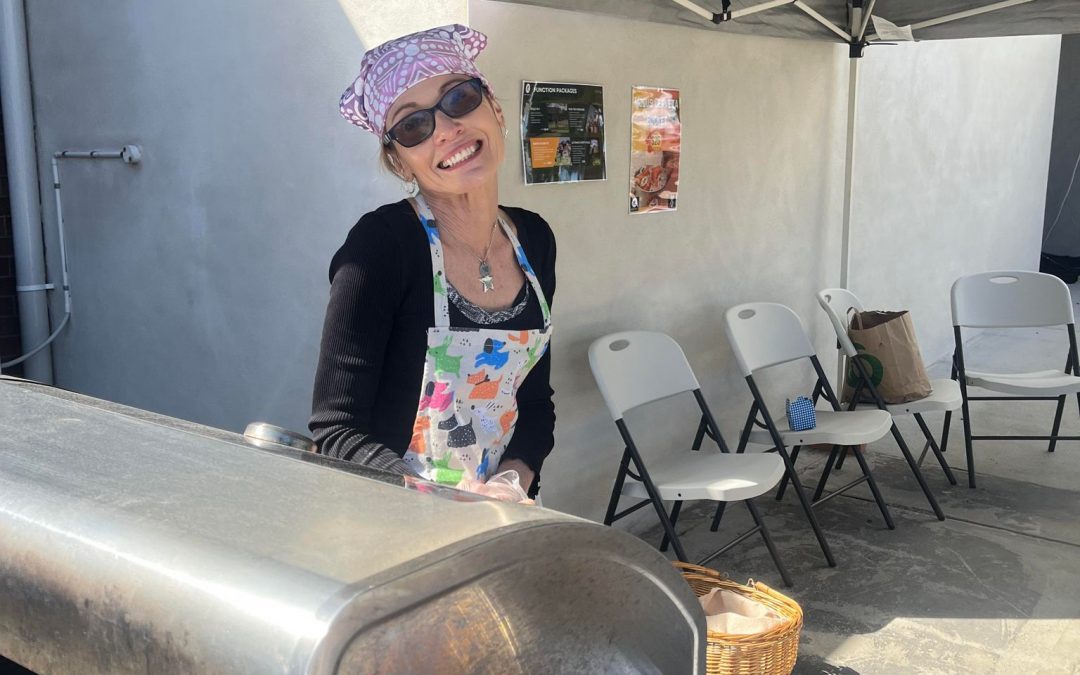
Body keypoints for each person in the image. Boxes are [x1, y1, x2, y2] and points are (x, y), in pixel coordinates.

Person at [310, 24, 556, 498]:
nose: (446, 129)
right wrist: (442, 502)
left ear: (496, 110)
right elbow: (337, 432)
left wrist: (510, 482)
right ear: (400, 161)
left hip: (502, 515)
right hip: (397, 524)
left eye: (459, 98)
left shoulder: (536, 240)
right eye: (413, 125)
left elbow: (534, 400)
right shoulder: (381, 247)